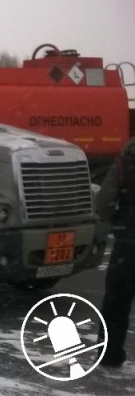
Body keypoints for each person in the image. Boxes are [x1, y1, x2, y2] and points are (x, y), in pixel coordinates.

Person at [97, 138, 135, 367]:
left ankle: (109, 355)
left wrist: (117, 223)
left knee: (117, 302)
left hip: (128, 244)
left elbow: (104, 201)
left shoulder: (126, 160)